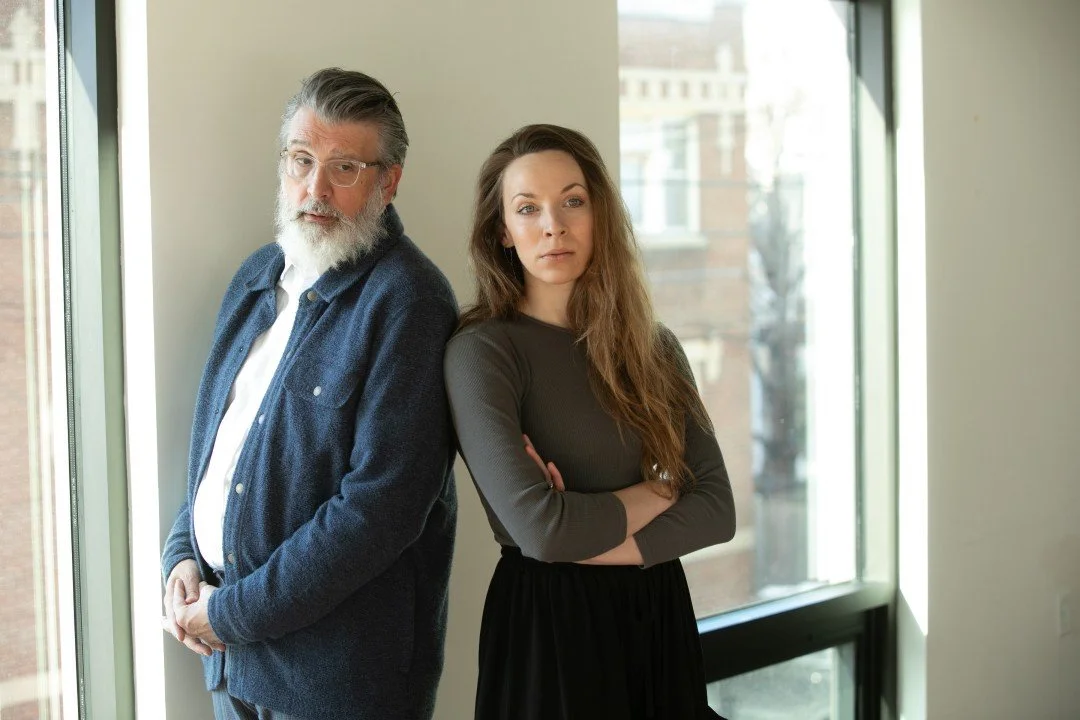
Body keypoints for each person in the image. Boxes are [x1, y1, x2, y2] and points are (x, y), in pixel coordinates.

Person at [160, 68, 459, 720]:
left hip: (337, 688)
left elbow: (378, 511)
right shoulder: (254, 279)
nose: (315, 188)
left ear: (389, 182)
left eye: (344, 168)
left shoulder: (409, 302)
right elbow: (218, 449)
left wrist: (229, 613)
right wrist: (182, 553)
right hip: (234, 664)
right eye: (302, 160)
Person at [444, 124, 736, 720]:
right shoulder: (482, 353)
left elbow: (718, 509)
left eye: (573, 201)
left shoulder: (655, 347)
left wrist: (588, 533)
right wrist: (659, 490)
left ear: (600, 213)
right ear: (503, 231)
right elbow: (543, 533)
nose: (554, 225)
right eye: (528, 209)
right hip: (549, 632)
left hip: (657, 618)